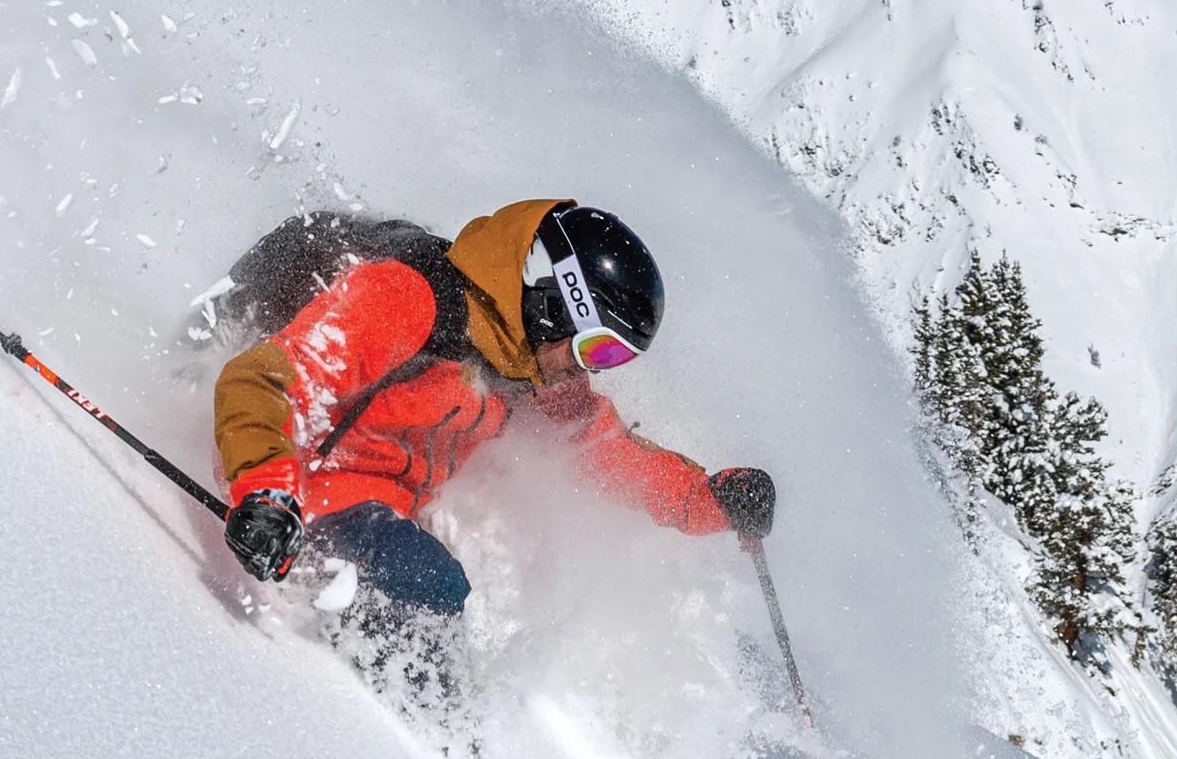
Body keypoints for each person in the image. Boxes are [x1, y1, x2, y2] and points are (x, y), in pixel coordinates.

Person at [213, 197, 776, 625]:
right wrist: (267, 492)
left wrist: (709, 501)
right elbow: (257, 382)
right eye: (597, 347)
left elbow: (606, 453)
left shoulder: (529, 370)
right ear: (554, 305)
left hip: (368, 506)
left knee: (435, 587)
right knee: (430, 584)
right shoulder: (406, 302)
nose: (593, 370)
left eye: (614, 358)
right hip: (293, 491)